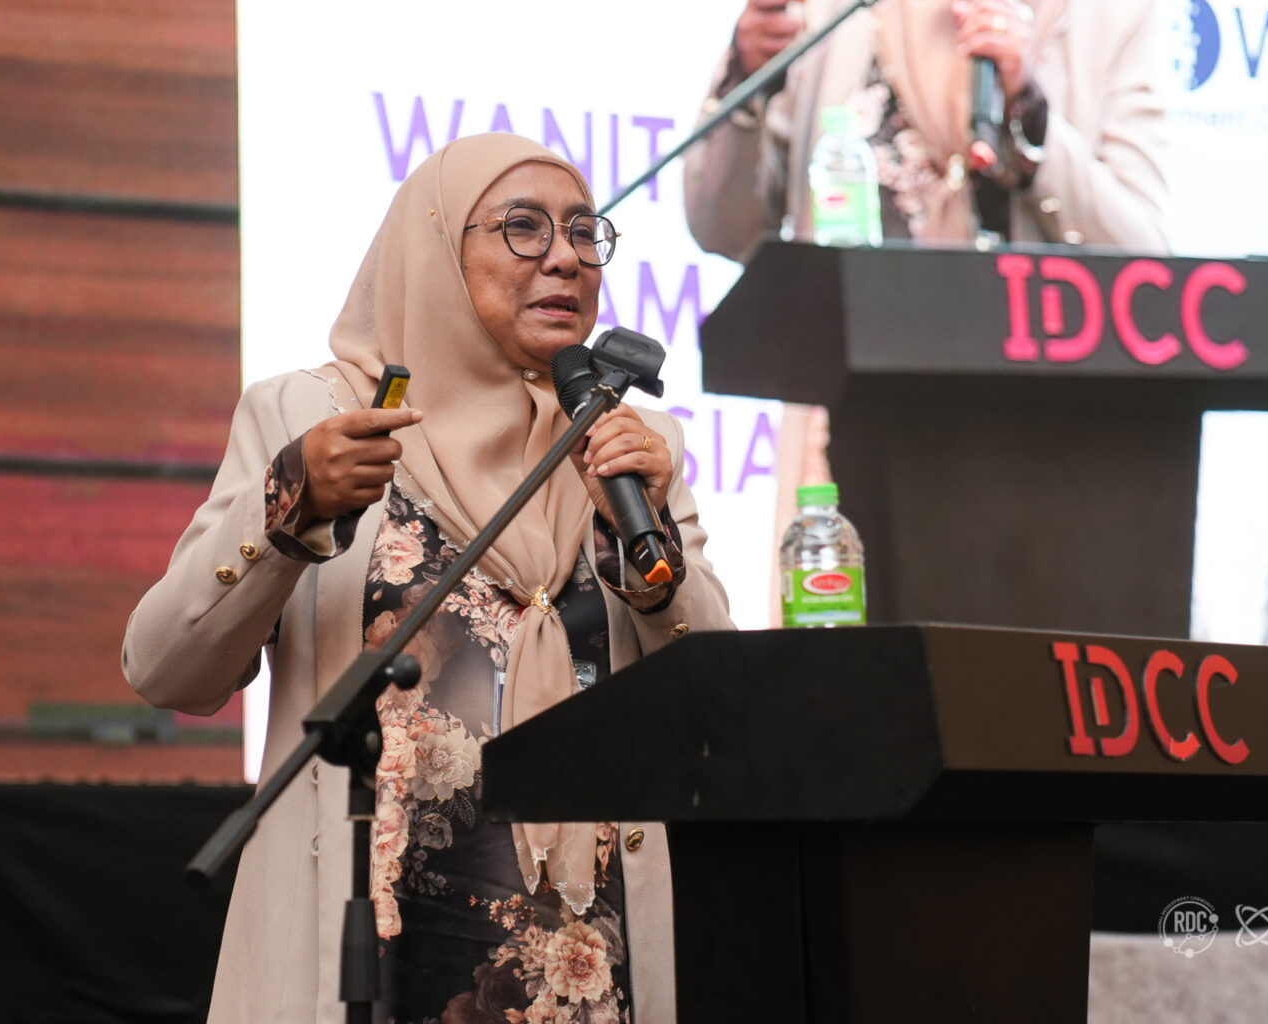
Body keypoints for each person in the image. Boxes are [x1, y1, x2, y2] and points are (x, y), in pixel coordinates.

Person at [124, 133, 734, 1024]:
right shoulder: (316, 417)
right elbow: (164, 669)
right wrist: (289, 507)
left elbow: (719, 709)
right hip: (377, 970)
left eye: (582, 231)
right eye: (522, 228)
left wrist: (651, 566)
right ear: (436, 250)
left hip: (591, 975)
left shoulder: (626, 444)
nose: (565, 257)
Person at [683, 0, 1170, 257]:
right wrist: (748, 78)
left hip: (1031, 397)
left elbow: (1144, 257)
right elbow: (722, 232)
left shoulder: (1110, 14)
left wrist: (1029, 113)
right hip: (850, 388)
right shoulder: (828, 10)